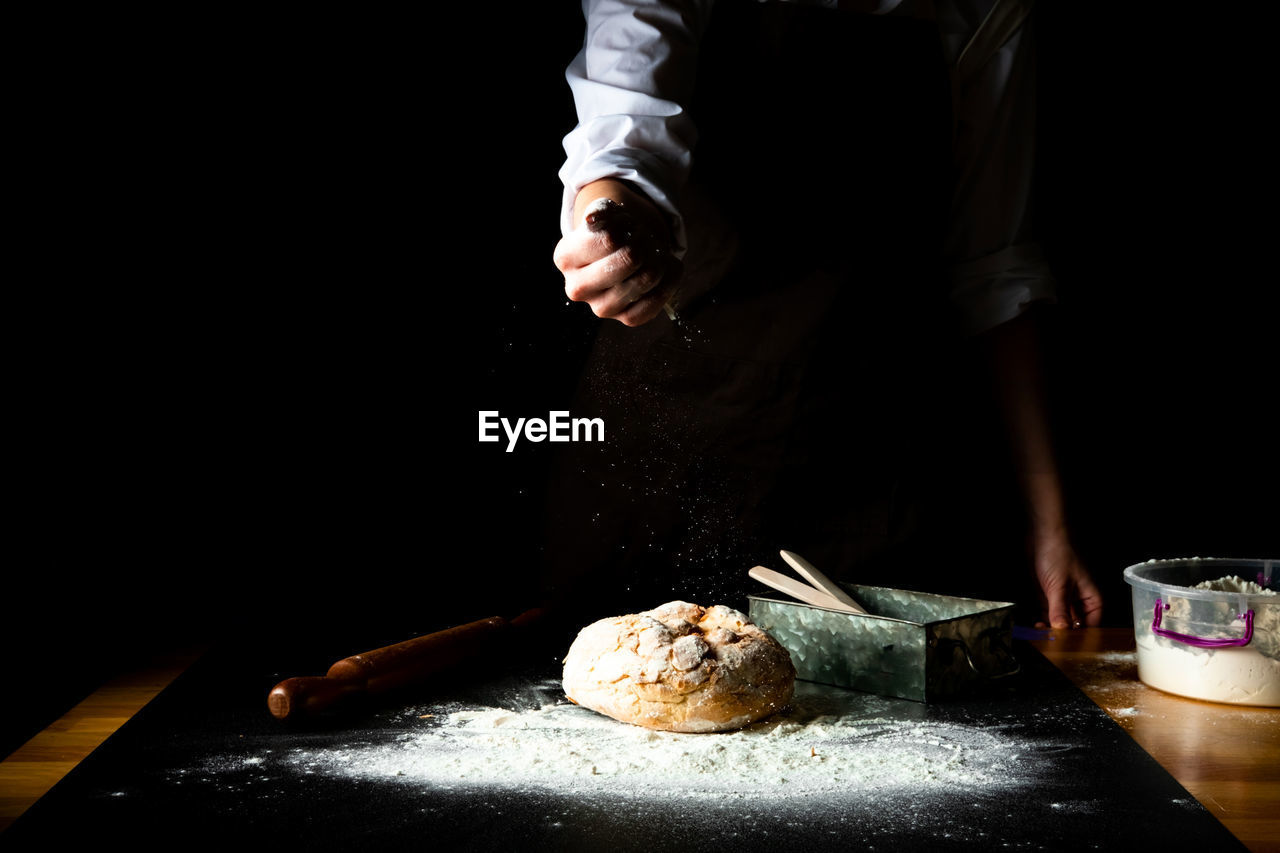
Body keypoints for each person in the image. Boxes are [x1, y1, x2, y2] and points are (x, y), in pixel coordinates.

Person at [552, 0, 1102, 629]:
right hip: (665, 441)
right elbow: (626, 127)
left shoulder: (985, 7)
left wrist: (1051, 524)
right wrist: (617, 217)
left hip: (868, 457)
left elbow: (995, 272)